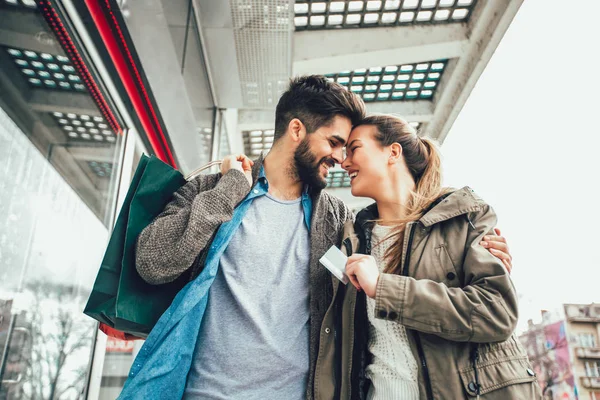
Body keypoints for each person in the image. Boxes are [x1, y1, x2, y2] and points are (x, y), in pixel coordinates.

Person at [119, 76, 511, 399]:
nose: (341, 160)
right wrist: (225, 193)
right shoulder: (215, 187)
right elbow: (152, 264)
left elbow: (397, 257)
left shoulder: (338, 220)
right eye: (335, 143)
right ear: (296, 130)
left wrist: (476, 251)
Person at [328, 114, 541, 399]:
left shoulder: (464, 217)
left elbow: (497, 313)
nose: (344, 162)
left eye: (354, 149)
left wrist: (384, 288)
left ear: (393, 152)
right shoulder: (350, 239)